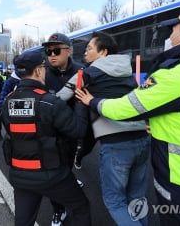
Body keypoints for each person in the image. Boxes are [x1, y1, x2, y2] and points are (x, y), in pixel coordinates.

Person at [75, 2, 180, 226]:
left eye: (173, 29)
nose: (169, 36)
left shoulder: (178, 73)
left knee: (115, 198)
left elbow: (123, 109)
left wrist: (92, 101)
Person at [57, 31, 150, 226]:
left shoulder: (86, 74)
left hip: (116, 144)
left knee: (115, 201)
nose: (85, 53)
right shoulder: (128, 72)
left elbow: (59, 99)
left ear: (103, 52)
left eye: (89, 48)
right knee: (137, 198)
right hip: (142, 139)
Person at [1, 50, 91, 226]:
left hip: (19, 175)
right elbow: (78, 131)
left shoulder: (7, 101)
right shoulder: (50, 101)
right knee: (80, 207)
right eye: (43, 67)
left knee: (23, 221)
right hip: (52, 175)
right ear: (38, 71)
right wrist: (81, 104)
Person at [42, 32, 92, 225]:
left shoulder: (82, 71)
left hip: (73, 133)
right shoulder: (42, 72)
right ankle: (58, 210)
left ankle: (70, 177)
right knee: (54, 175)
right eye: (48, 51)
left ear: (69, 51)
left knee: (65, 169)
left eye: (56, 50)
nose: (51, 55)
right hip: (49, 133)